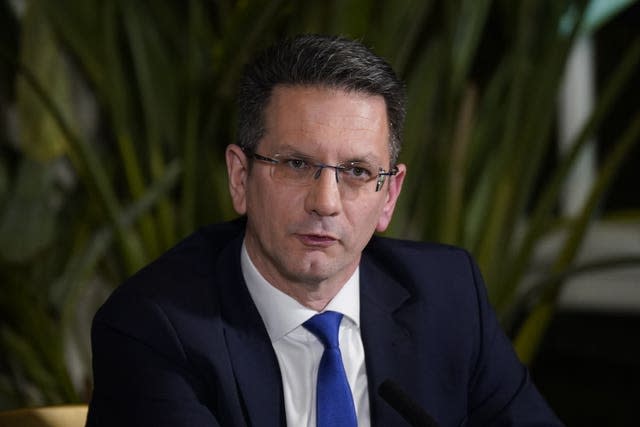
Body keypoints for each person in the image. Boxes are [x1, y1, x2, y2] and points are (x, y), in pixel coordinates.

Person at [86, 34, 563, 426]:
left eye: (356, 171)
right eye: (296, 164)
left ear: (388, 196)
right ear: (240, 178)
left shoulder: (447, 296)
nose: (325, 203)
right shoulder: (153, 327)